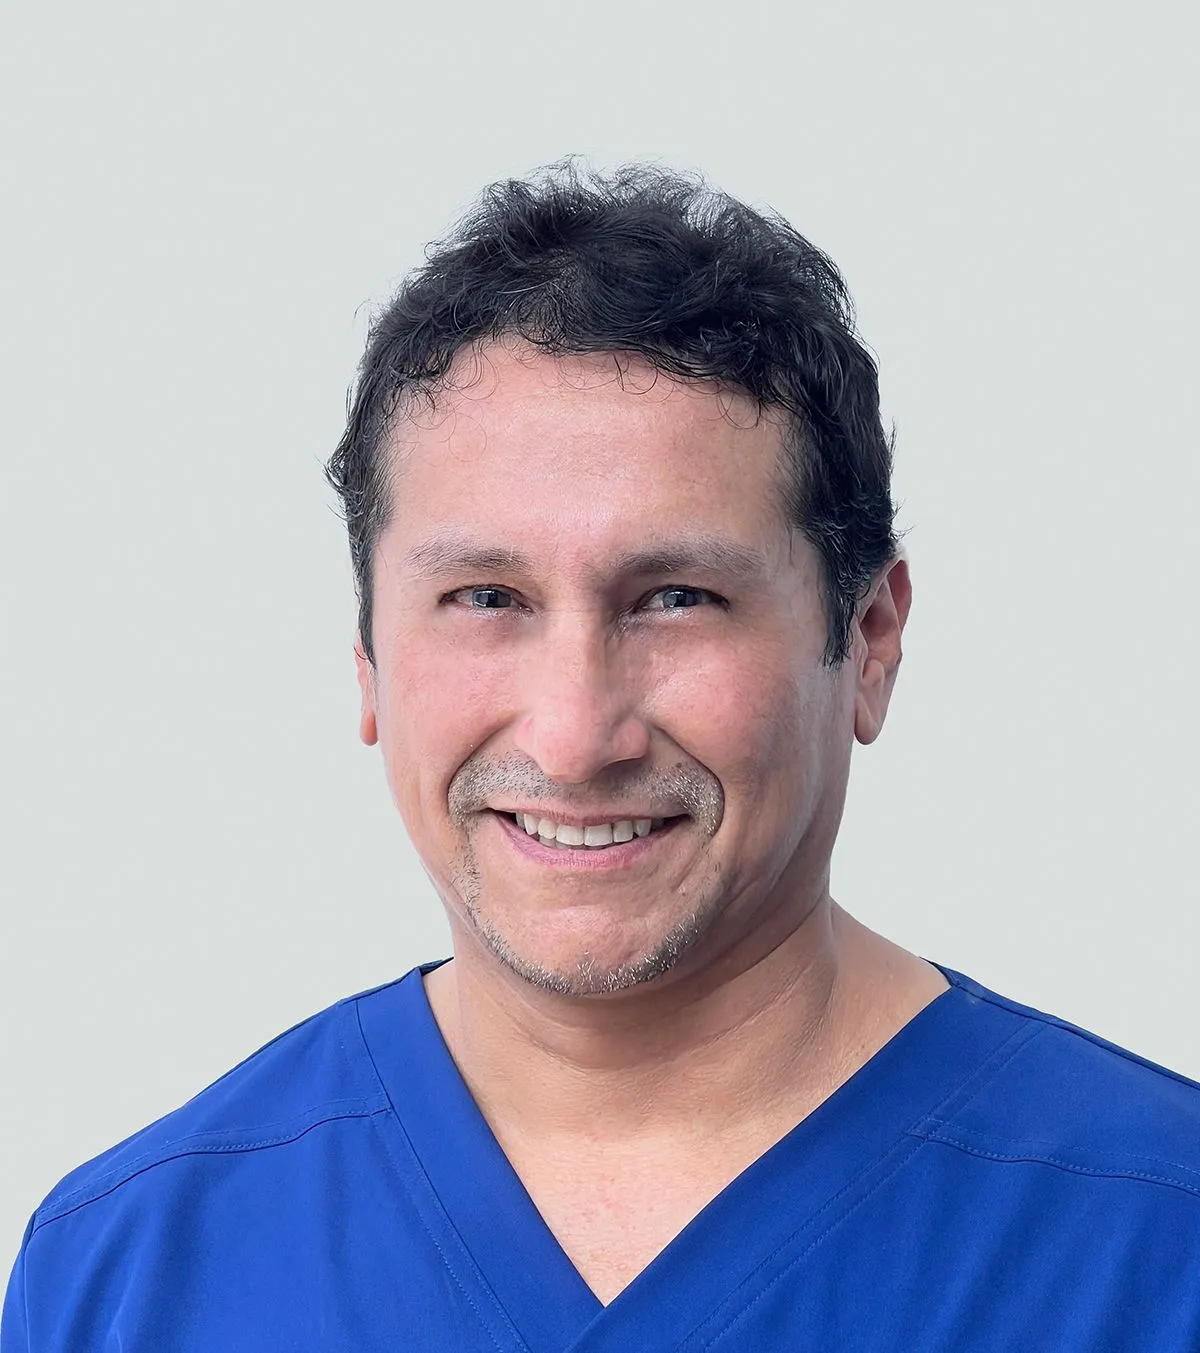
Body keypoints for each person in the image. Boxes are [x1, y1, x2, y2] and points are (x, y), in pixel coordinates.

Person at [4, 162, 1199, 1353]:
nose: (575, 738)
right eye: (486, 598)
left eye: (677, 598)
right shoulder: (127, 1271)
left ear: (870, 639)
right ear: (368, 658)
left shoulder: (1155, 1239)